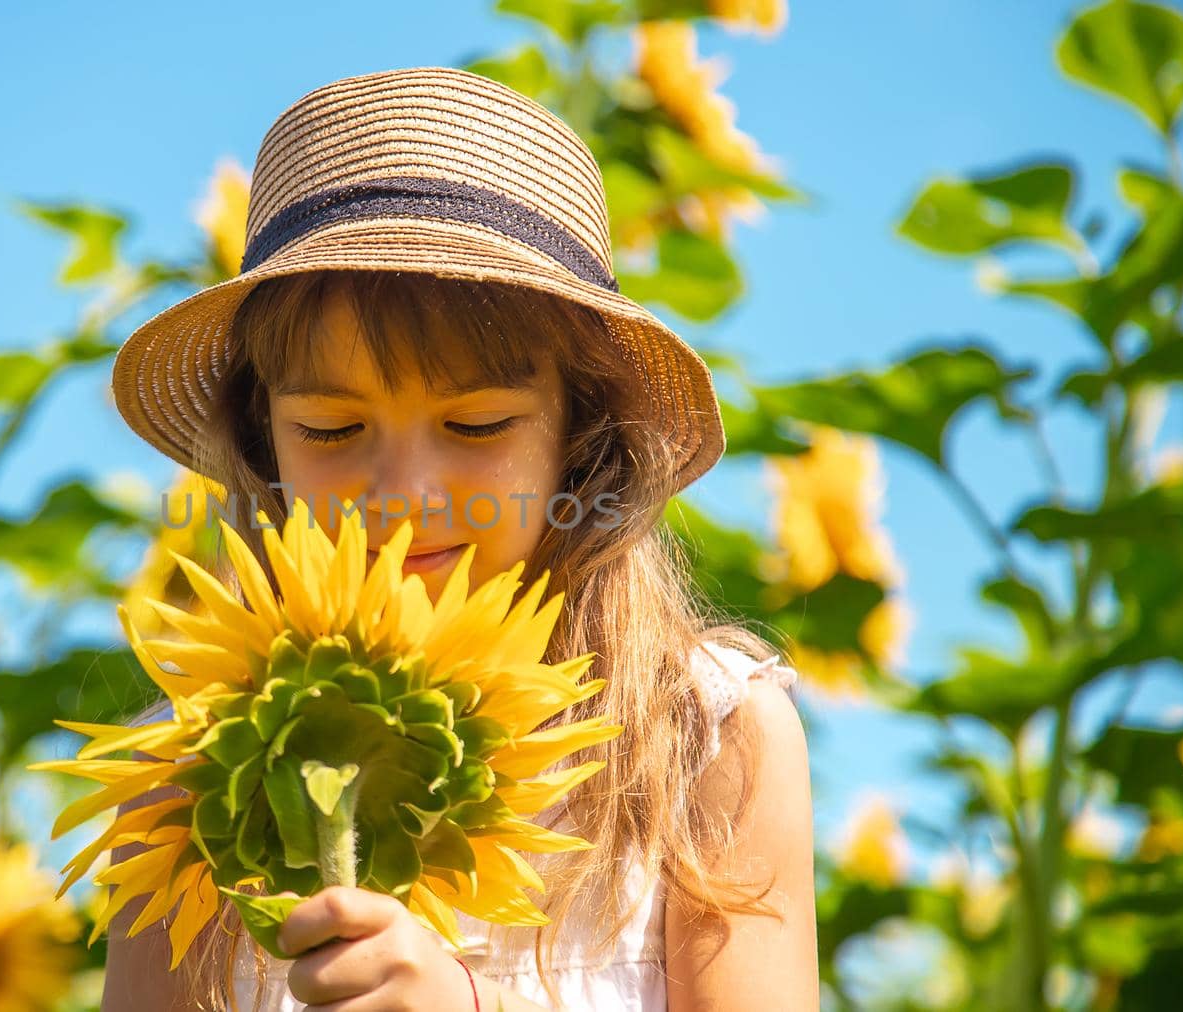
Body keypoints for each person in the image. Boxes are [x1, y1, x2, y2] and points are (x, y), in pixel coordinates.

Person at [98, 66, 817, 1011]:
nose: (403, 495)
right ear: (261, 442)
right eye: (331, 430)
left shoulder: (699, 742)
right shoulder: (190, 778)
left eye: (477, 427)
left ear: (581, 438)